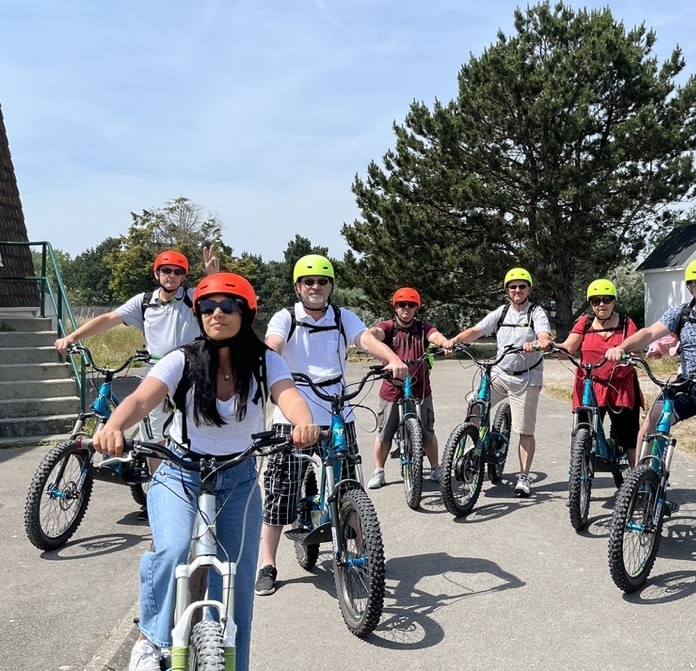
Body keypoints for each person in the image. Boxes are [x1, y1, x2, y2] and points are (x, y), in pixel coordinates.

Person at [92, 273, 320, 671]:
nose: (217, 314)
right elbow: (142, 399)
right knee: (174, 549)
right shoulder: (182, 359)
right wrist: (113, 427)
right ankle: (152, 640)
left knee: (237, 584)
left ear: (246, 314)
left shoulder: (265, 361)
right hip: (180, 472)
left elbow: (289, 396)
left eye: (228, 306)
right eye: (208, 307)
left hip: (238, 478)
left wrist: (304, 422)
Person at [255, 254, 407, 597]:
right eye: (308, 282)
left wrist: (392, 358)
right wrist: (267, 361)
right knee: (281, 490)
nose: (315, 287)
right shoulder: (285, 317)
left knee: (350, 485)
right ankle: (268, 564)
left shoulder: (342, 317)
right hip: (292, 414)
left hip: (338, 412)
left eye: (322, 281)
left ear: (330, 286)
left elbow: (365, 340)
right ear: (298, 287)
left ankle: (367, 554)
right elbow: (273, 344)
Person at [604, 256, 696, 556]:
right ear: (690, 288)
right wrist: (622, 347)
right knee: (650, 423)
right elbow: (650, 333)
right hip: (687, 385)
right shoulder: (681, 313)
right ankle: (640, 484)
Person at [55, 248, 220, 471]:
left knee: (194, 434)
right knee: (154, 439)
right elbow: (109, 318)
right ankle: (158, 486)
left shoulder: (192, 298)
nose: (171, 276)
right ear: (157, 273)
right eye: (166, 270)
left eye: (178, 272)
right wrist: (72, 337)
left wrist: (212, 276)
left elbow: (215, 300)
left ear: (184, 277)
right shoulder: (144, 302)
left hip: (192, 373)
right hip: (157, 375)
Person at [444, 267, 553, 498]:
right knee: (474, 404)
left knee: (524, 429)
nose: (517, 290)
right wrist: (454, 341)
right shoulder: (501, 313)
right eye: (513, 287)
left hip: (526, 378)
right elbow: (476, 331)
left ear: (529, 289)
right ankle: (475, 444)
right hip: (500, 373)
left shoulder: (536, 313)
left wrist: (540, 342)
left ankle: (524, 476)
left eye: (522, 286)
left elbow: (544, 335)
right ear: (507, 290)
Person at [366, 287, 451, 489]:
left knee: (427, 430)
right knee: (385, 432)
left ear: (416, 309)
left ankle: (435, 468)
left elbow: (435, 335)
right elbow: (375, 333)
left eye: (411, 305)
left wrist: (445, 343)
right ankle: (379, 471)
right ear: (395, 307)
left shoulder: (422, 328)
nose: (406, 308)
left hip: (420, 387)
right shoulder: (389, 327)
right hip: (393, 388)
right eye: (402, 305)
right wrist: (370, 336)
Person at [557, 278, 643, 468]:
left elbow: (637, 347)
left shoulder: (626, 323)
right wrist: (551, 346)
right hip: (591, 384)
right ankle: (579, 475)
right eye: (596, 301)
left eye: (606, 299)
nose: (601, 304)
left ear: (614, 302)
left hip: (620, 386)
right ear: (590, 304)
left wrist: (631, 352)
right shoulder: (586, 323)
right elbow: (569, 347)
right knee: (583, 430)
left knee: (629, 436)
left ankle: (636, 478)